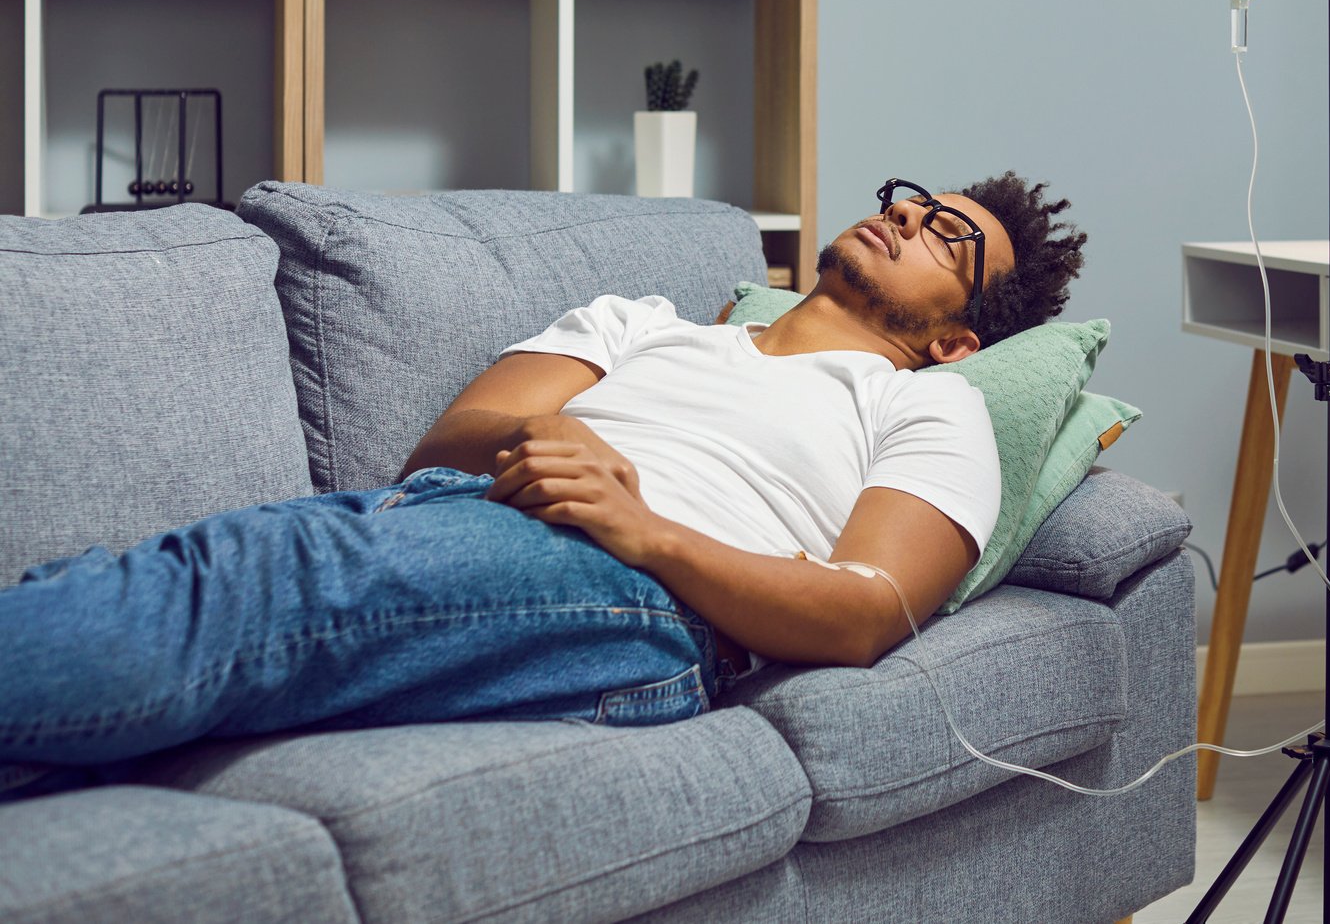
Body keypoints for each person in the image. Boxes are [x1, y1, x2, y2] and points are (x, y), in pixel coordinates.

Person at [0, 172, 1087, 803]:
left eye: (947, 236)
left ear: (956, 337)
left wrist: (649, 530)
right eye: (911, 199)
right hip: (466, 522)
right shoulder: (640, 322)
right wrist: (548, 437)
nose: (904, 216)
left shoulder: (928, 408)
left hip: (646, 604)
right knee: (177, 655)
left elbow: (869, 609)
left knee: (242, 581)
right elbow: (449, 442)